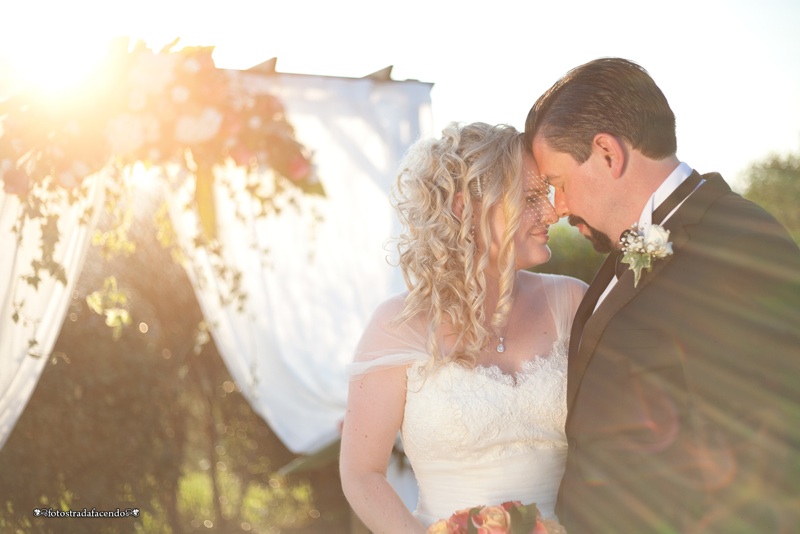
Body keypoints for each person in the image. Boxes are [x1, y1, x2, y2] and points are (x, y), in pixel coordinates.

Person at [525, 57, 800, 533]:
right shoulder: (623, 251)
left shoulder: (739, 242)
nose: (559, 208)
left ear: (608, 153)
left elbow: (771, 457)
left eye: (558, 184)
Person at [339, 122, 587, 532]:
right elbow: (362, 475)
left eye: (544, 195)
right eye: (529, 198)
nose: (552, 212)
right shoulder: (397, 326)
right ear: (463, 208)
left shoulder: (572, 303)